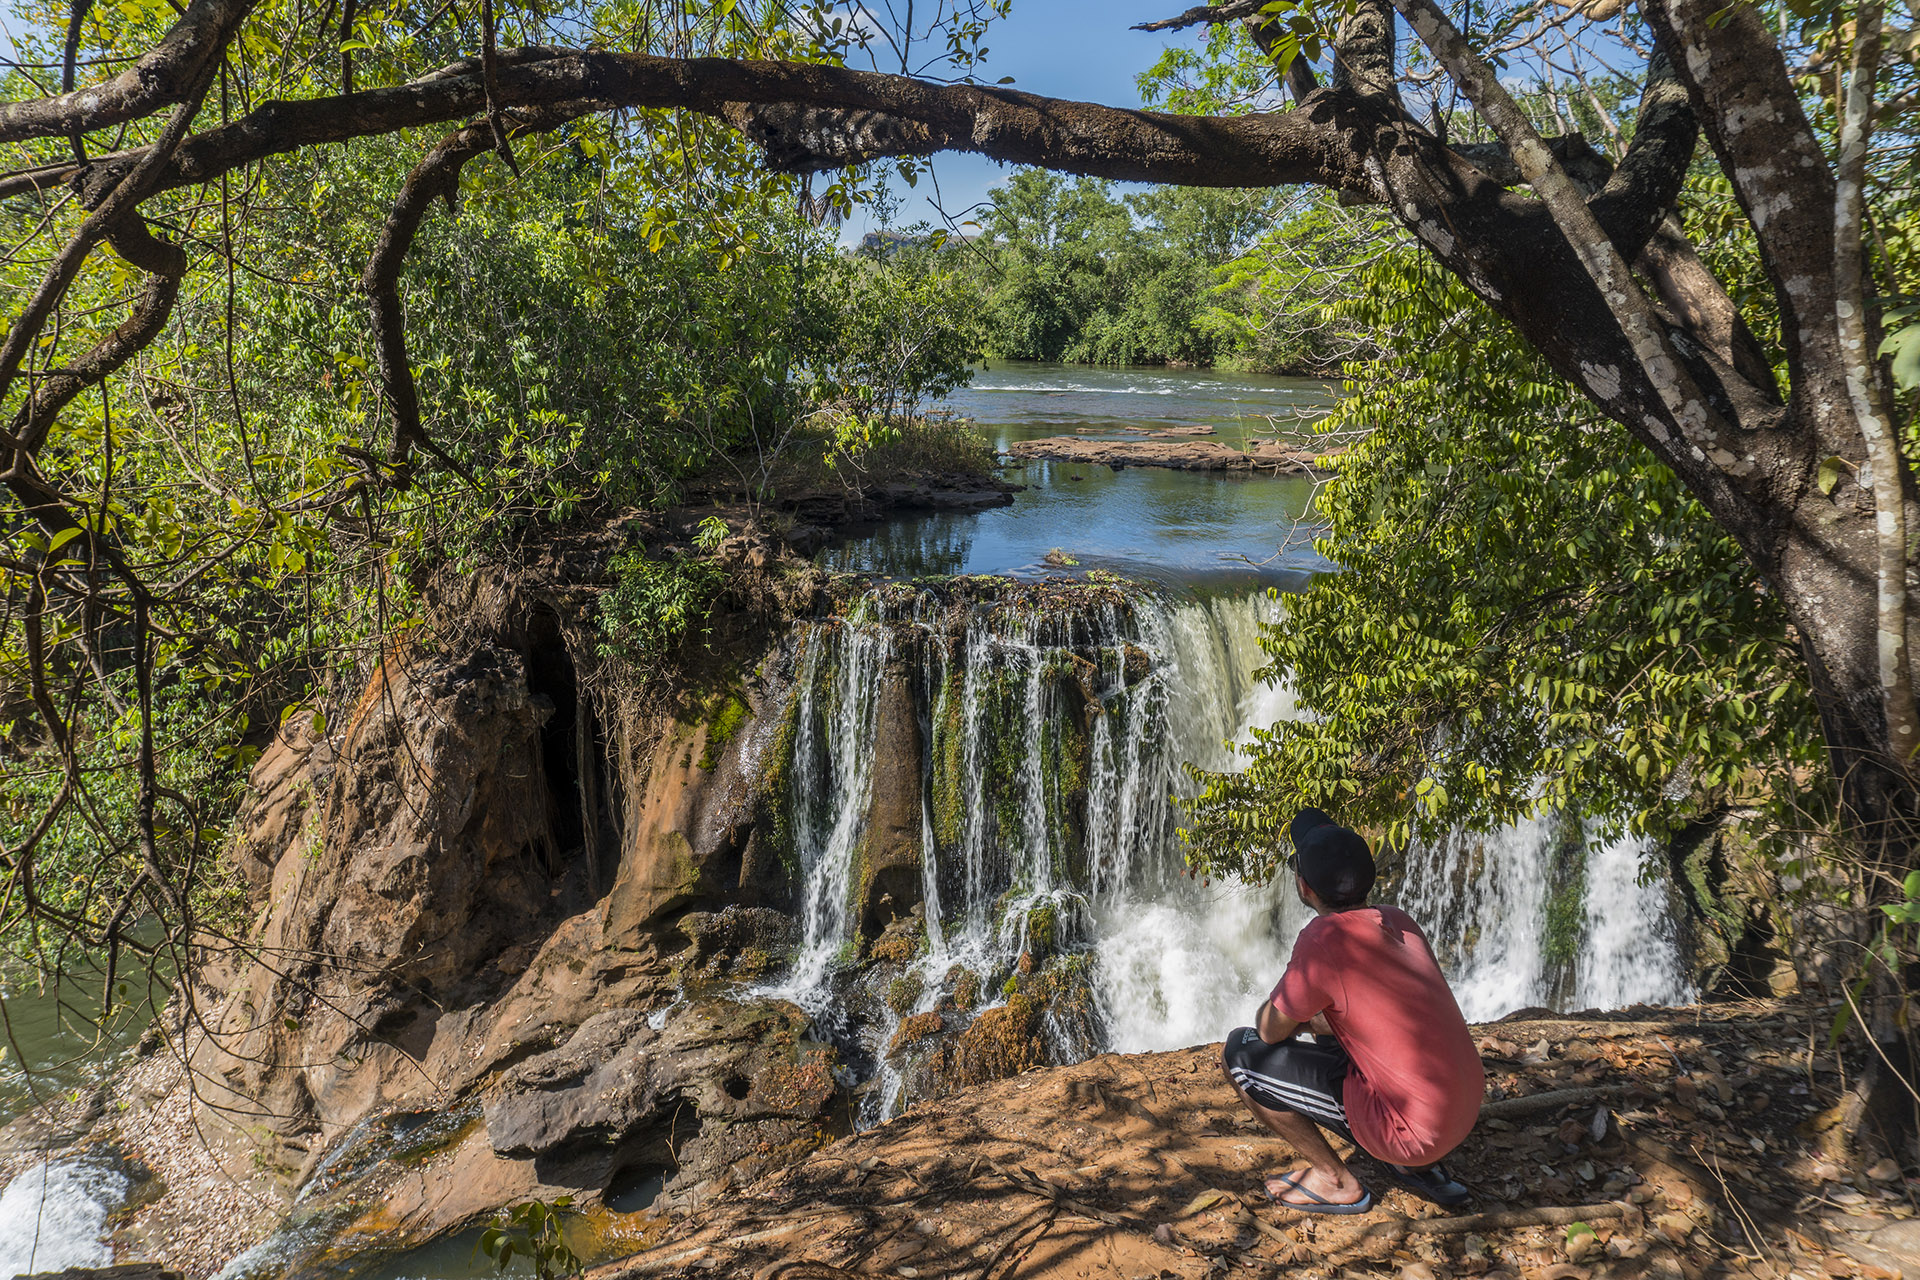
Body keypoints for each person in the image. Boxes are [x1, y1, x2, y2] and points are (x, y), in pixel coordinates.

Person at [1221, 808, 1485, 1214]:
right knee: (1338, 1036)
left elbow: (1270, 1030)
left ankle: (1336, 1181)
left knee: (1241, 1053)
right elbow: (1379, 1016)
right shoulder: (1398, 921)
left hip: (1413, 1130)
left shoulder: (1324, 938)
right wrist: (1317, 1020)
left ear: (1304, 886)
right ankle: (1419, 1168)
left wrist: (1296, 1016)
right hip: (1463, 1108)